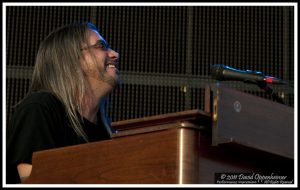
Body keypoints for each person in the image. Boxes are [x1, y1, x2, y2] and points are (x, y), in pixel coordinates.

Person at [6, 22, 120, 184]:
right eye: (101, 46)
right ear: (72, 59)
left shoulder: (103, 131)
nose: (115, 54)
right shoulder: (39, 109)